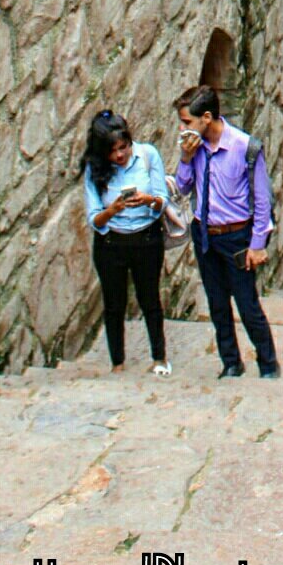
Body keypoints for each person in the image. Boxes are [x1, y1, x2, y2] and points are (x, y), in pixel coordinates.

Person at [175, 84, 280, 379]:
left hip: (236, 236)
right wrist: (184, 159)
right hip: (205, 233)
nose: (182, 129)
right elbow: (182, 187)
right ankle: (231, 362)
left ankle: (268, 364)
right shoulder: (193, 148)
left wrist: (257, 244)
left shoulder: (244, 147)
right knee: (217, 303)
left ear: (206, 117)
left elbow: (261, 199)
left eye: (187, 122)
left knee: (247, 304)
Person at [80, 110, 171, 377]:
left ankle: (159, 358)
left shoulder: (147, 156)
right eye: (113, 151)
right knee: (114, 304)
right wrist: (113, 209)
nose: (120, 155)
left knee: (150, 299)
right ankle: (117, 363)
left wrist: (148, 200)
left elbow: (162, 199)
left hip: (146, 238)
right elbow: (94, 218)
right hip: (111, 242)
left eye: (124, 147)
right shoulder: (95, 169)